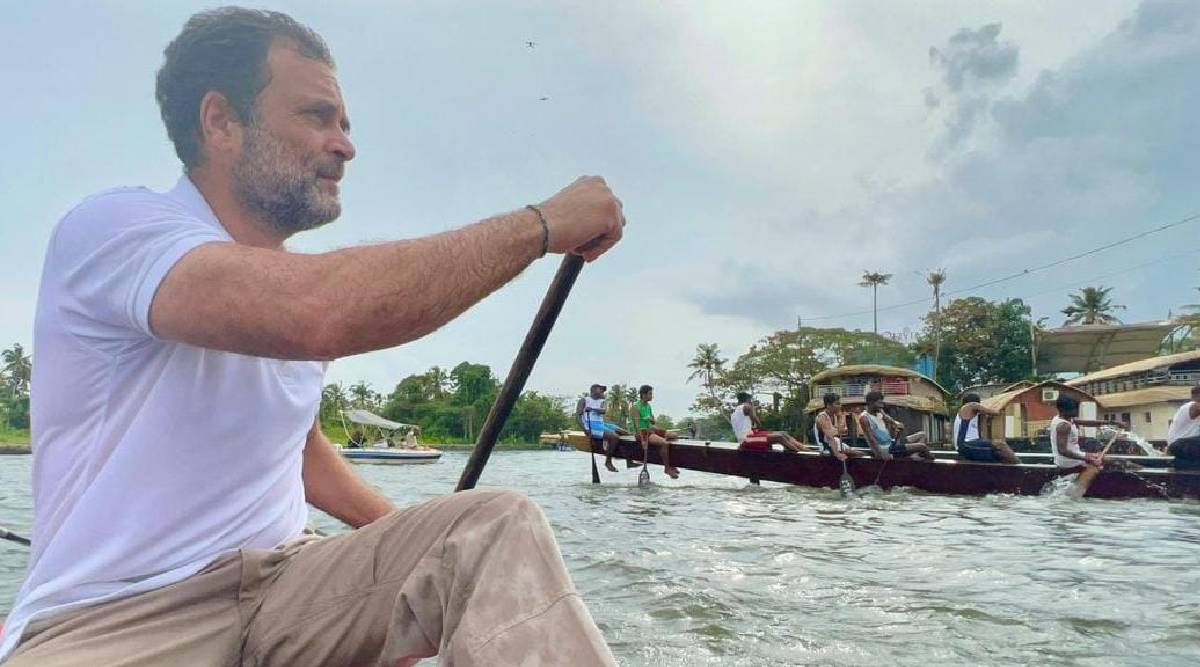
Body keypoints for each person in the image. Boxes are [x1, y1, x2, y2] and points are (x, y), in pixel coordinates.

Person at [1, 8, 622, 666]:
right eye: (318, 116)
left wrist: (415, 555)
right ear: (221, 122)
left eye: (345, 124)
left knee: (493, 527)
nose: (345, 144)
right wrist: (540, 226)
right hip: (114, 615)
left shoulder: (287, 286)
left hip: (286, 584)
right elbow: (320, 311)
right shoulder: (117, 230)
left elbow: (294, 445)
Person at [857, 391, 933, 461]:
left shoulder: (880, 411)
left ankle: (914, 455)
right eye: (879, 403)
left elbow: (890, 420)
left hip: (893, 443)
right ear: (870, 403)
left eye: (882, 403)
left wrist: (896, 424)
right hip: (886, 449)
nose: (881, 406)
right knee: (922, 447)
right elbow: (871, 439)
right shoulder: (864, 418)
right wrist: (880, 454)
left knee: (922, 435)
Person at [953, 393, 1019, 464]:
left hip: (972, 445)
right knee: (1002, 445)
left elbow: (983, 435)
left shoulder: (974, 416)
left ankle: (1016, 467)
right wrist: (998, 411)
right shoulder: (968, 407)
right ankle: (1023, 468)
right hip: (965, 445)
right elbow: (993, 412)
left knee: (999, 453)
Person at [730, 392, 806, 452]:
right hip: (747, 440)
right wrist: (753, 410)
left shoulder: (734, 411)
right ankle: (801, 452)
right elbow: (759, 424)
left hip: (749, 436)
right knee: (780, 437)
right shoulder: (747, 407)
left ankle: (802, 449)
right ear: (747, 400)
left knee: (783, 433)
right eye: (750, 400)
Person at [633, 385, 680, 479]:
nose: (652, 396)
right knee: (665, 443)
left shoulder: (648, 406)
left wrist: (652, 420)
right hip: (643, 432)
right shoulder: (635, 407)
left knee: (674, 436)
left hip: (651, 429)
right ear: (643, 394)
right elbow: (637, 426)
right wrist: (643, 441)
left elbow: (652, 421)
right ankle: (667, 468)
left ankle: (672, 463)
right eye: (650, 394)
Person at [1050, 395, 1106, 472]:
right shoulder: (1063, 426)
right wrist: (1088, 458)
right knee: (1101, 466)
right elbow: (1063, 451)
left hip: (1074, 457)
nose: (1077, 411)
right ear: (1064, 409)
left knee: (1099, 457)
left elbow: (1086, 422)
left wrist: (1112, 423)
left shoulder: (1066, 418)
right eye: (1074, 408)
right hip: (1069, 464)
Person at [577, 383, 621, 472]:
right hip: (591, 426)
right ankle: (608, 462)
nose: (602, 392)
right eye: (600, 389)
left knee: (623, 432)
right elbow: (577, 417)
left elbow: (603, 411)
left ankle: (606, 442)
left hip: (601, 424)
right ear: (593, 390)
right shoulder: (584, 400)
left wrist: (592, 409)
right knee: (615, 437)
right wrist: (585, 430)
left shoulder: (603, 401)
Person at [813, 393, 864, 461]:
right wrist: (837, 454)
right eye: (837, 404)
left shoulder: (834, 415)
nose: (840, 406)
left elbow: (839, 431)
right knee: (858, 454)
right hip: (827, 447)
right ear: (828, 405)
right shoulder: (822, 417)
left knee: (861, 453)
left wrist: (840, 418)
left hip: (836, 443)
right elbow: (830, 437)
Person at [1166, 384, 1200, 467]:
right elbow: (1197, 408)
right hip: (1179, 445)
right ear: (1196, 395)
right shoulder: (1191, 406)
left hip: (1185, 446)